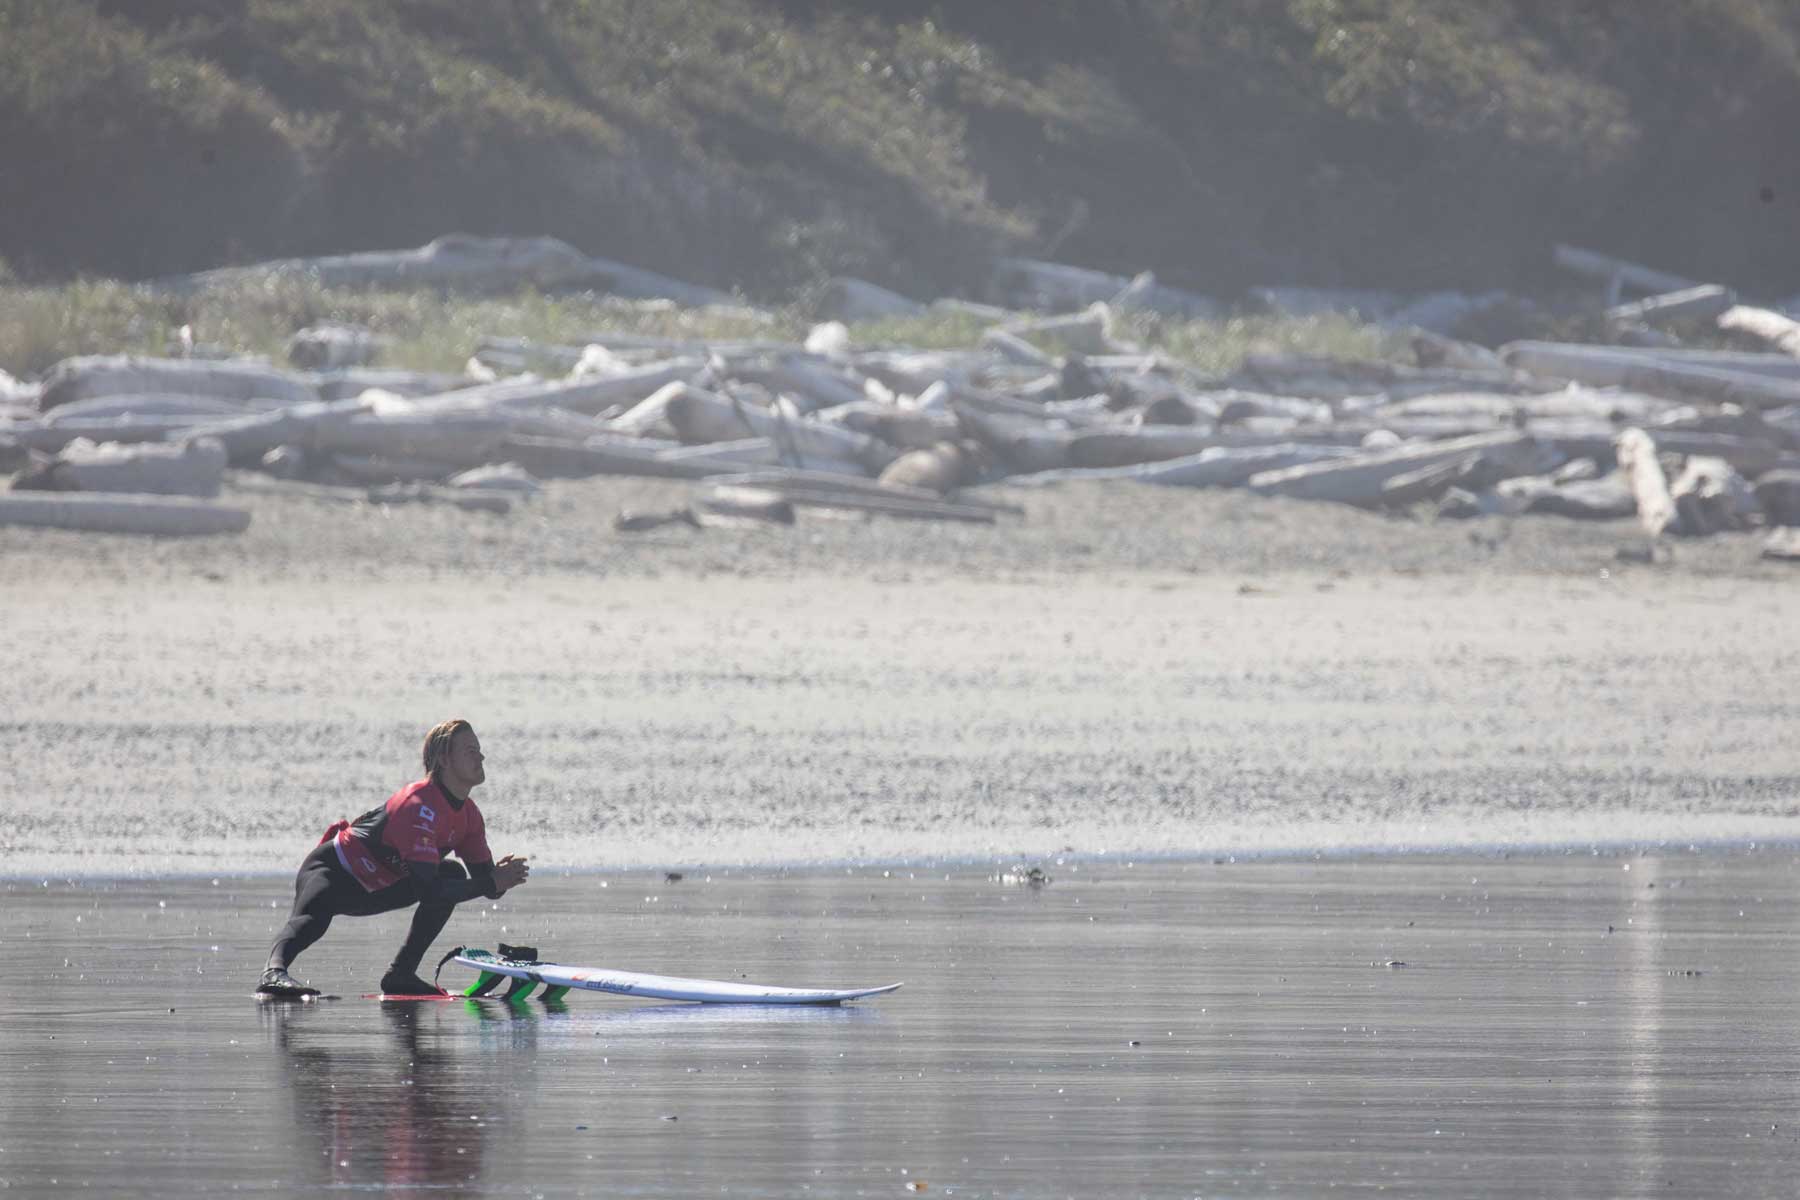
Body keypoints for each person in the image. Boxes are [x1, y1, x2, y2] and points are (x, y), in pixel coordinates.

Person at [257, 719, 530, 998]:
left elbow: (488, 887)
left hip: (382, 886)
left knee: (452, 874)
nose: (481, 756)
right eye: (470, 750)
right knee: (311, 921)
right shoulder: (419, 806)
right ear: (444, 760)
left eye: (479, 749)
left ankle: (402, 973)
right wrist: (492, 882)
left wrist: (502, 878)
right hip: (337, 871)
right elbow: (430, 890)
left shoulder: (469, 816)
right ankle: (273, 972)